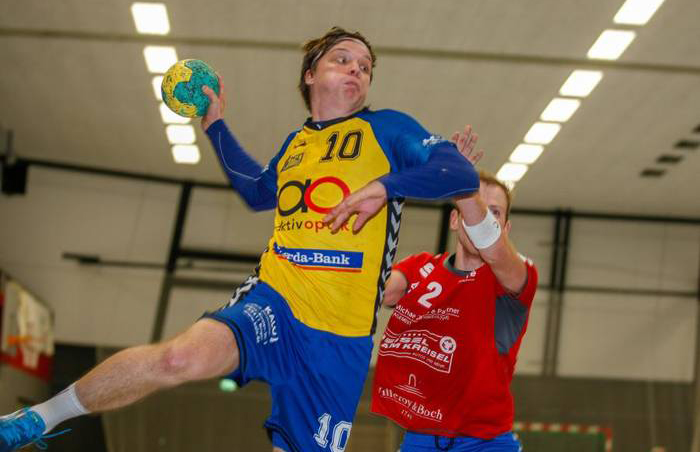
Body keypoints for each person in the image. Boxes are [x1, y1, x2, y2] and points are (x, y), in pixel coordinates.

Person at [0, 27, 481, 452]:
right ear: (310, 74)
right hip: (278, 297)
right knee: (180, 357)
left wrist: (385, 186)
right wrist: (215, 125)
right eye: (343, 59)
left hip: (341, 337)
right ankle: (37, 419)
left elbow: (458, 173)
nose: (357, 69)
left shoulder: (389, 128)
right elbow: (256, 191)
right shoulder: (296, 145)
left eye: (365, 66)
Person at [371, 137, 538, 451]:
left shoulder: (514, 279)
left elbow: (491, 244)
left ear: (506, 228)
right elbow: (378, 292)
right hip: (420, 439)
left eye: (494, 212)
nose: (482, 219)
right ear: (454, 219)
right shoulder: (421, 267)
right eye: (474, 208)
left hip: (485, 443)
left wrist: (460, 183)